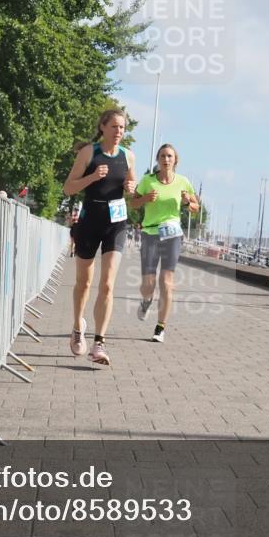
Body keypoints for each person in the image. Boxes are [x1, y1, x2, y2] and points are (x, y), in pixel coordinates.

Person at [62, 109, 136, 365]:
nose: (119, 132)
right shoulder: (89, 153)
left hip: (116, 223)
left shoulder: (128, 156)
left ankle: (99, 344)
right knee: (84, 282)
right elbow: (68, 186)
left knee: (107, 284)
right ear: (103, 127)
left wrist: (131, 187)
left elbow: (131, 184)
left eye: (123, 128)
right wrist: (92, 177)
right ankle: (76, 326)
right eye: (115, 127)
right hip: (90, 220)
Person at [129, 144, 199, 343]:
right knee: (147, 284)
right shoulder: (147, 181)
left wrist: (187, 202)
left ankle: (160, 327)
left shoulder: (183, 182)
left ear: (175, 160)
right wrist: (144, 199)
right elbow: (133, 203)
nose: (166, 159)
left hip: (172, 233)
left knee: (167, 282)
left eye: (169, 156)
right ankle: (146, 300)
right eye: (162, 156)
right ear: (158, 159)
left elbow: (195, 207)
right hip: (150, 232)